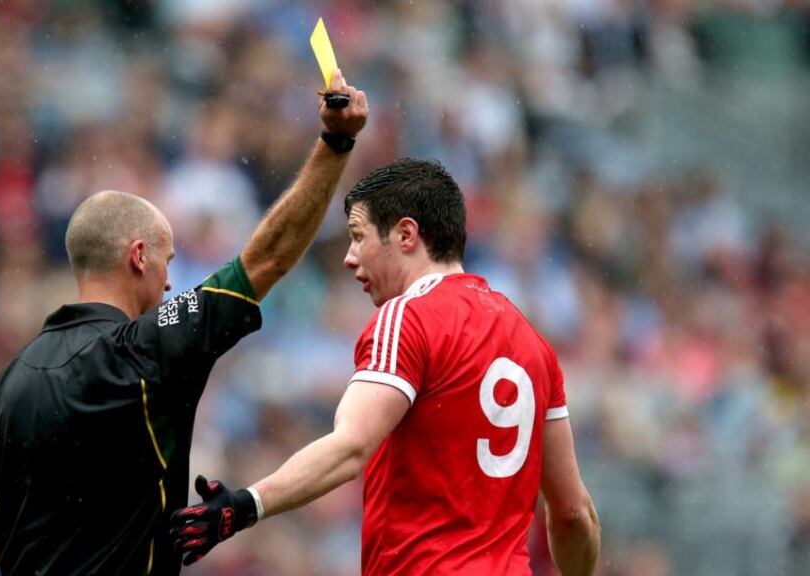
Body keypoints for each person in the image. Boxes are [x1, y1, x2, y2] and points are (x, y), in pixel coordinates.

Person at [0, 69, 368, 575]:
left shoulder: (7, 384)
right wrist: (335, 141)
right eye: (168, 261)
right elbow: (269, 259)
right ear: (138, 257)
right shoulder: (146, 347)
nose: (171, 283)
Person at [170, 159, 601, 575]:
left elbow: (351, 447)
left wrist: (245, 505)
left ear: (405, 235)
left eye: (358, 236)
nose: (350, 257)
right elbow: (573, 512)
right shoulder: (533, 343)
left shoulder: (407, 316)